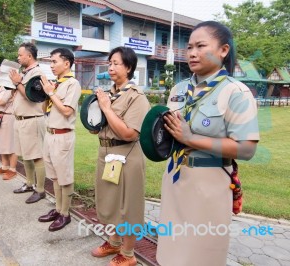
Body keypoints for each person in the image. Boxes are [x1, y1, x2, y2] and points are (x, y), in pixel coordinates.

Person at [156, 21, 260, 266]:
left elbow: (246, 149)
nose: (192, 52)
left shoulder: (236, 93)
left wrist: (191, 138)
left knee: (202, 255)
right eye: (189, 46)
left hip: (210, 184)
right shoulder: (178, 90)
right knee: (170, 251)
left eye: (201, 46)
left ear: (223, 50)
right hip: (175, 180)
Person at [90, 47, 150, 266]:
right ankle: (114, 242)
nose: (111, 67)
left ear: (129, 67)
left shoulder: (137, 97)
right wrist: (94, 120)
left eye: (116, 63)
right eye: (110, 63)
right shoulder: (110, 94)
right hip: (108, 155)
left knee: (129, 205)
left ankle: (128, 253)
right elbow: (100, 125)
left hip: (127, 156)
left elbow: (128, 133)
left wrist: (106, 109)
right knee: (113, 202)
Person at [37, 48, 81, 231]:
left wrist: (51, 93)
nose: (51, 65)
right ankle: (57, 209)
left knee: (65, 177)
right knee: (54, 176)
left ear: (67, 63)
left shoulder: (73, 84)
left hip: (63, 135)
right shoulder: (56, 84)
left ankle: (65, 213)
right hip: (50, 134)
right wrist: (46, 92)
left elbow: (67, 111)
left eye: (54, 61)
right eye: (51, 62)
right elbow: (43, 109)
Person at [9, 42, 46, 202]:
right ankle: (30, 183)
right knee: (26, 156)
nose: (18, 57)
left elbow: (32, 96)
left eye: (20, 54)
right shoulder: (25, 72)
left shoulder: (37, 73)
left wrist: (18, 83)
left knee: (37, 156)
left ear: (29, 56)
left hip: (32, 120)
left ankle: (41, 189)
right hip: (21, 120)